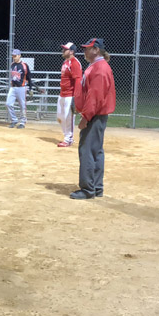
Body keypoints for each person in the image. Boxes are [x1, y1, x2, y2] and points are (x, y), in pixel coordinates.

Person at [71, 37, 116, 200]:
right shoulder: (97, 65)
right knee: (95, 151)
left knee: (87, 151)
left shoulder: (100, 68)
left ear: (96, 50)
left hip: (95, 115)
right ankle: (96, 187)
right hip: (96, 115)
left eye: (87, 48)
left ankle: (88, 189)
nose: (84, 51)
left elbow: (95, 97)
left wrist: (86, 117)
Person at [56, 42, 83, 147]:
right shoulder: (65, 62)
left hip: (70, 95)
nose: (63, 51)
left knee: (68, 118)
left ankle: (68, 139)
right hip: (62, 94)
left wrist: (76, 97)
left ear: (71, 52)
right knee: (60, 117)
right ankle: (66, 136)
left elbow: (78, 80)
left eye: (65, 49)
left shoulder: (75, 63)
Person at [6, 48, 34, 128]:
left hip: (21, 88)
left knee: (22, 105)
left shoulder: (24, 65)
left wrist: (30, 88)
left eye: (15, 56)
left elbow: (29, 77)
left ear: (19, 56)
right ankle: (14, 120)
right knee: (8, 104)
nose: (14, 57)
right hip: (13, 87)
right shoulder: (12, 64)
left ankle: (22, 122)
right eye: (13, 56)